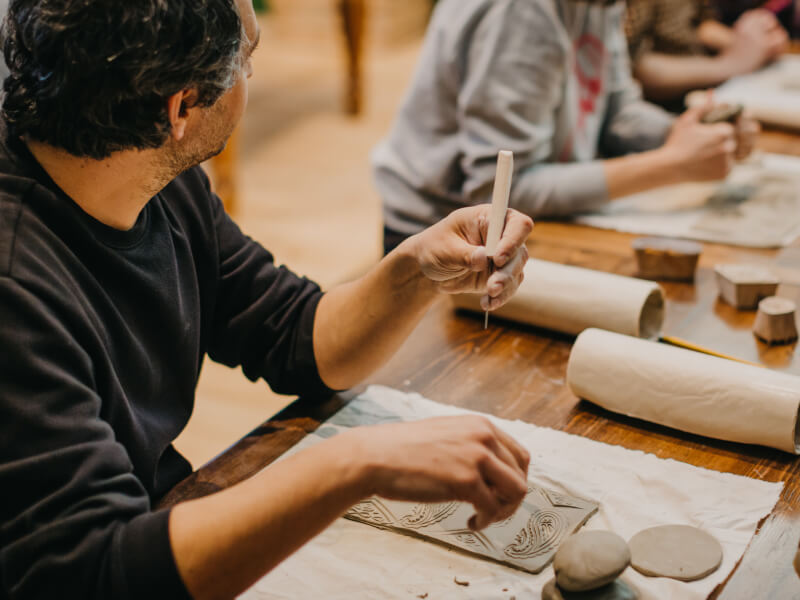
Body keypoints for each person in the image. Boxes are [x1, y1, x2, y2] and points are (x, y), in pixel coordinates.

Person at [0, 1, 534, 599]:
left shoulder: (155, 183)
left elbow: (295, 336)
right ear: (180, 107)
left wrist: (416, 271)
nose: (250, 76)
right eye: (247, 59)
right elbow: (98, 572)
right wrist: (356, 463)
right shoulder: (17, 288)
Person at [374, 0, 761, 255]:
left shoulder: (600, 3)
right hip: (444, 238)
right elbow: (501, 193)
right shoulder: (519, 11)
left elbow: (616, 110)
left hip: (530, 220)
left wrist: (695, 133)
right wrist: (673, 164)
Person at [625, 0, 789, 110]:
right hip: (660, 108)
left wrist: (755, 44)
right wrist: (732, 64)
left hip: (700, 91)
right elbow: (632, 66)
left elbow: (697, 24)